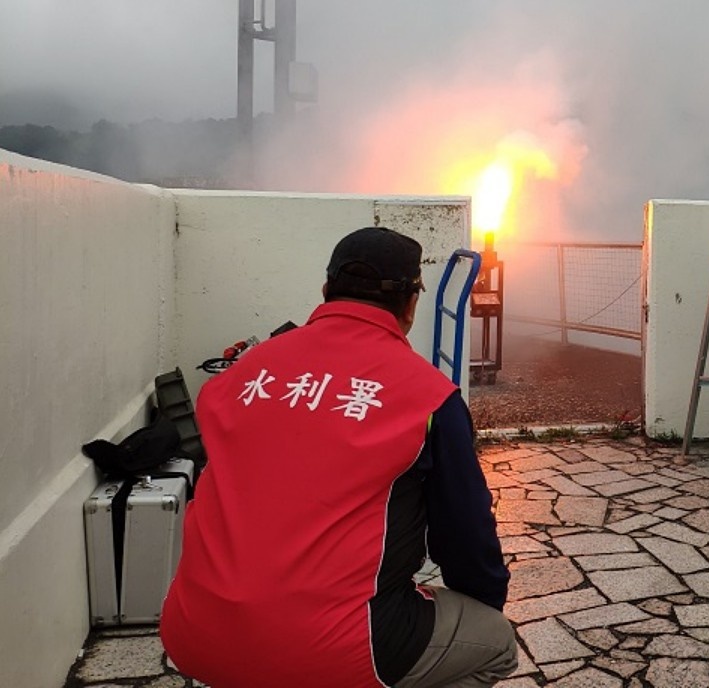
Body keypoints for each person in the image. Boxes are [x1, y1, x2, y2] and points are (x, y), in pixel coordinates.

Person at [161, 227, 516, 688]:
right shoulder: (427, 399)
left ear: (326, 291)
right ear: (411, 305)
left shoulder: (242, 375)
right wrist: (484, 601)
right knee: (496, 645)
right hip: (339, 651)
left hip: (194, 634)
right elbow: (464, 535)